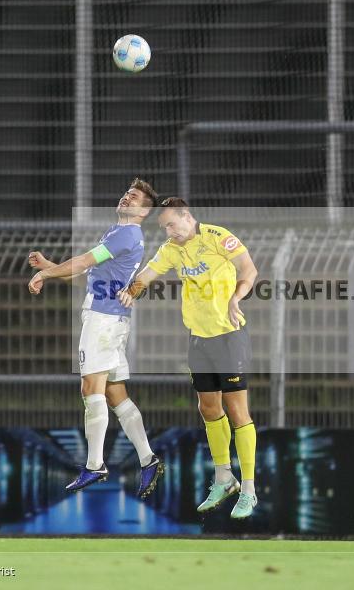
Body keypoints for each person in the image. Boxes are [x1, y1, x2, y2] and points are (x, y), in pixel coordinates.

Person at [117, 197, 260, 519]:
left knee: (238, 411)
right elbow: (147, 275)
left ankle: (249, 490)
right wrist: (128, 292)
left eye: (171, 224)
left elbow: (249, 269)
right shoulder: (171, 249)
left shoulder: (216, 237)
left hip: (230, 337)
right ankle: (224, 478)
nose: (168, 231)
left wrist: (237, 297)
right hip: (199, 340)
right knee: (208, 408)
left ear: (187, 217)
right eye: (163, 227)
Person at [27, 178, 165, 499]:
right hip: (111, 319)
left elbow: (85, 261)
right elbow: (87, 280)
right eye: (126, 194)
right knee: (116, 394)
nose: (126, 198)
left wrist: (45, 274)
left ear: (144, 212)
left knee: (91, 388)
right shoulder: (120, 233)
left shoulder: (125, 234)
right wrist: (51, 266)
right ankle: (147, 459)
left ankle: (95, 464)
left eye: (134, 198)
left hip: (103, 322)